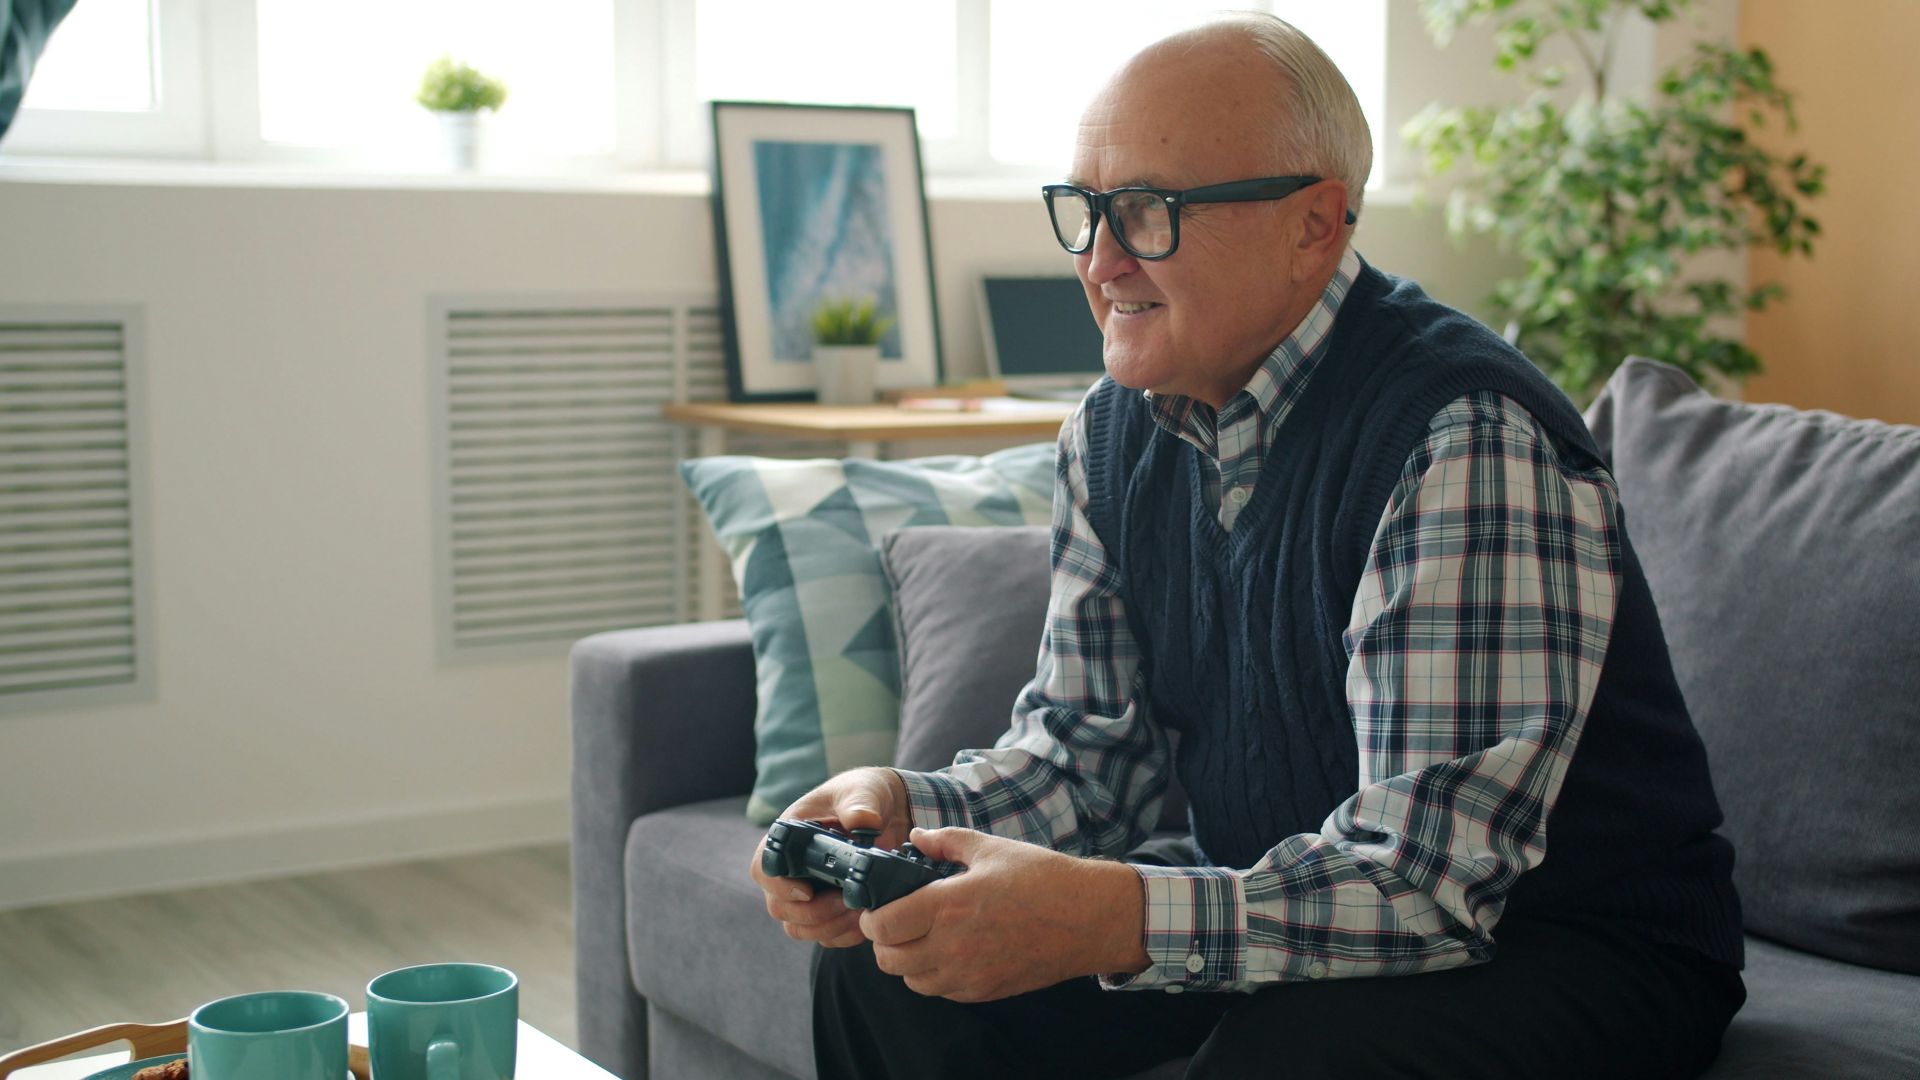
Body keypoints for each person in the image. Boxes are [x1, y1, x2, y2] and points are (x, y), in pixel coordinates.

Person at [751, 13, 1746, 1079]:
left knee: (1290, 1055)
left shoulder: (1460, 436)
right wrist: (904, 813)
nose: (1100, 260)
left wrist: (1112, 917)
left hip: (1566, 942)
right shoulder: (1110, 432)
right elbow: (1087, 757)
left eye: (1147, 211)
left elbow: (1428, 885)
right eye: (1085, 211)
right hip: (1282, 888)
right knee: (886, 968)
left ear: (1313, 225)